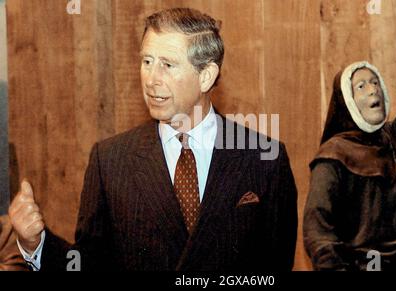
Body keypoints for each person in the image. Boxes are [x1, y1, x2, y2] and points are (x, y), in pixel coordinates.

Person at [8, 8, 298, 271]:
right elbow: (88, 264)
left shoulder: (264, 158)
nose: (151, 78)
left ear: (206, 76)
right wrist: (37, 245)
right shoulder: (110, 161)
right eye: (147, 61)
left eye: (167, 65)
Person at [303, 11, 396, 271]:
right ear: (347, 102)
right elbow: (318, 233)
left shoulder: (394, 140)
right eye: (361, 86)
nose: (372, 89)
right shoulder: (333, 156)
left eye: (375, 82)